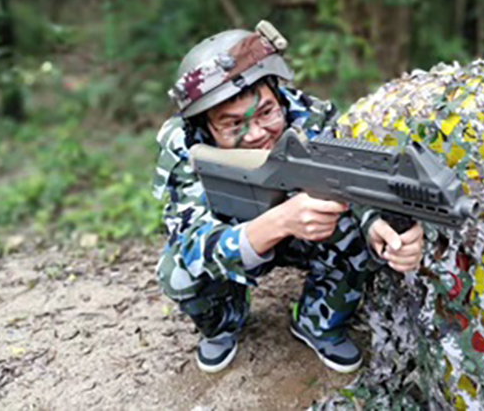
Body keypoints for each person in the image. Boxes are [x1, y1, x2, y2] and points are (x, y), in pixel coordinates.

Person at [153, 21, 424, 374]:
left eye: (266, 112)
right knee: (179, 272)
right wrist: (278, 221)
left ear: (277, 92)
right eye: (233, 125)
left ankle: (318, 322)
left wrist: (376, 223)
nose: (256, 134)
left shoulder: (313, 117)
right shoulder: (184, 145)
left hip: (306, 231)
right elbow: (191, 242)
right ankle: (225, 322)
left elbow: (351, 187)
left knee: (355, 234)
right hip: (234, 237)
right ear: (205, 126)